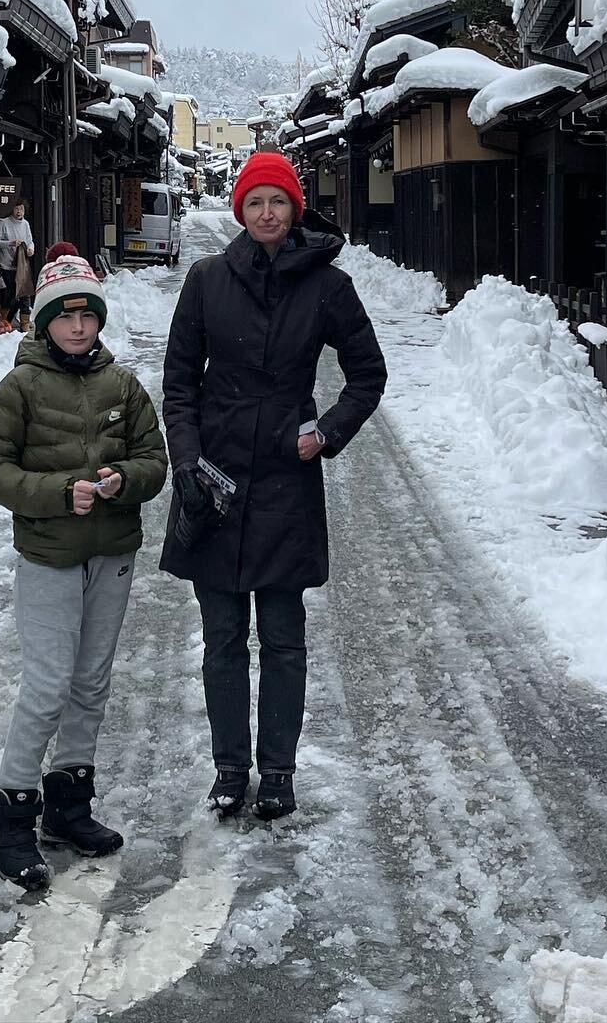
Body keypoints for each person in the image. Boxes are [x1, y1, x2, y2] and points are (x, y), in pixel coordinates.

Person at [161, 152, 386, 823]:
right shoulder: (206, 279)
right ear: (240, 209)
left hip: (287, 478)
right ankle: (230, 769)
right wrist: (189, 460)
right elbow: (177, 383)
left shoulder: (327, 286)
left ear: (294, 211)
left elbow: (367, 373)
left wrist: (325, 433)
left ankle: (279, 771)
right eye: (255, 201)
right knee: (223, 633)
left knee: (284, 636)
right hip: (217, 479)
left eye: (278, 202)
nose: (266, 213)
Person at [0, 243, 169, 891]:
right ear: (44, 320)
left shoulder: (123, 385)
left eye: (88, 315)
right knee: (48, 685)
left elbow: (155, 461)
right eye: (65, 315)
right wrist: (60, 492)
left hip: (111, 552)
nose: (79, 326)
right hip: (50, 556)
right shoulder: (20, 387)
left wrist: (124, 480)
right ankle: (13, 815)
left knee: (91, 682)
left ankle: (69, 804)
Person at [0, 201, 36, 329]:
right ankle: (5, 320)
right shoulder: (4, 223)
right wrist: (10, 243)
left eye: (21, 209)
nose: (18, 211)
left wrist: (31, 249)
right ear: (12, 209)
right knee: (10, 294)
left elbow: (30, 241)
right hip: (6, 264)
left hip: (22, 264)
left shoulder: (25, 224)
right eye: (16, 208)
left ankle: (24, 324)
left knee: (24, 293)